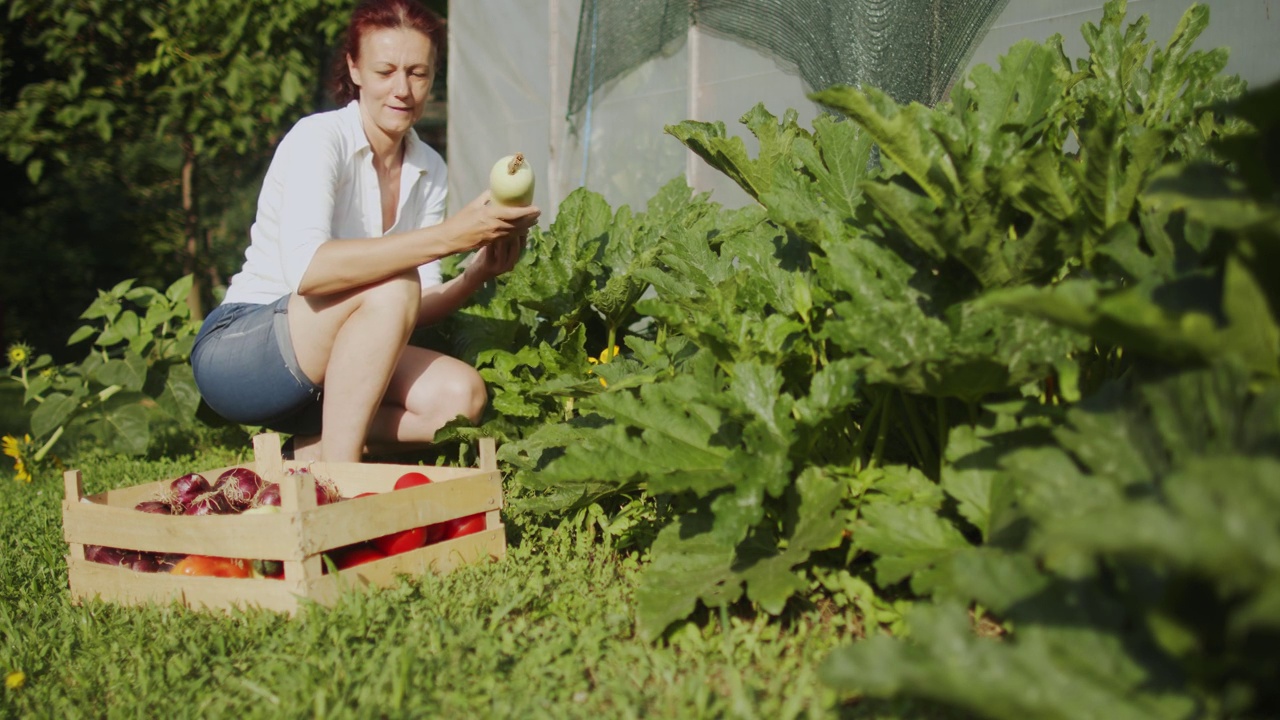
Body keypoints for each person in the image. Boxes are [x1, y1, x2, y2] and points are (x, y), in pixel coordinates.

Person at [191, 0, 540, 463]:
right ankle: (342, 480)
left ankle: (309, 454)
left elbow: (409, 309)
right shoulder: (319, 139)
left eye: (418, 73)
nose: (403, 89)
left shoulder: (427, 168)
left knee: (460, 398)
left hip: (329, 373)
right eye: (385, 71)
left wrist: (474, 274)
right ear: (355, 69)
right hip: (244, 352)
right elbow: (309, 272)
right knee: (394, 282)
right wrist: (454, 235)